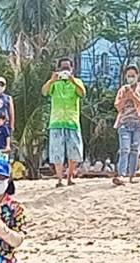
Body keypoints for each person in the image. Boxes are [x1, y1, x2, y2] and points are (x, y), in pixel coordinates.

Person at [43, 57, 87, 186]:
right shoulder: (54, 83)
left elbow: (82, 93)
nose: (65, 70)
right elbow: (44, 92)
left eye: (67, 68)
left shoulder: (77, 82)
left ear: (72, 69)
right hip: (56, 122)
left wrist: (73, 81)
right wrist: (52, 80)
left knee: (74, 150)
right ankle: (59, 179)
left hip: (72, 121)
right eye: (63, 68)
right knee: (57, 151)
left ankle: (70, 177)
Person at [114, 65, 140, 185]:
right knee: (124, 149)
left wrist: (133, 96)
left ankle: (132, 175)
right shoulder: (122, 89)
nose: (130, 78)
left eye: (133, 76)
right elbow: (118, 107)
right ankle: (121, 174)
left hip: (139, 123)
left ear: (137, 76)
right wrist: (125, 97)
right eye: (128, 76)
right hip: (124, 122)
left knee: (135, 149)